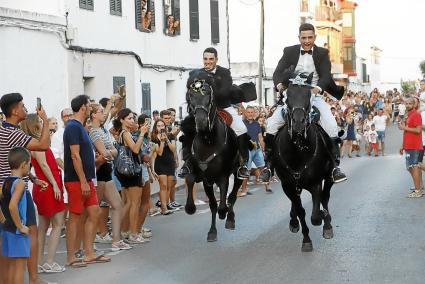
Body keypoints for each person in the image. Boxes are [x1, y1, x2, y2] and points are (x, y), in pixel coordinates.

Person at [262, 23, 346, 183]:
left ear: (315, 37)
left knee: (331, 124)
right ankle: (268, 166)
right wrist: (279, 86)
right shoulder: (289, 51)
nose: (307, 41)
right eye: (303, 38)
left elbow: (326, 76)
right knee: (272, 124)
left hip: (313, 93)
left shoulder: (322, 53)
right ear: (299, 38)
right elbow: (278, 72)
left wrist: (317, 89)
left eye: (310, 37)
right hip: (293, 94)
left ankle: (335, 167)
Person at [178, 47, 251, 180]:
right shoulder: (195, 73)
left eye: (211, 59)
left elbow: (225, 92)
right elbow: (190, 89)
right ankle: (187, 163)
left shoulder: (224, 72)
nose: (208, 62)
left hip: (222, 107)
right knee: (187, 128)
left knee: (241, 128)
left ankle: (243, 163)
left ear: (216, 59)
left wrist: (208, 83)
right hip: (202, 109)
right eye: (205, 59)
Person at [0, 93, 50, 284]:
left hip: (4, 187)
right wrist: (44, 120)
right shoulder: (14, 133)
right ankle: (34, 278)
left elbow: (13, 162)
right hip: (17, 190)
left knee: (6, 236)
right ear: (14, 111)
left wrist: (33, 178)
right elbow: (43, 145)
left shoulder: (2, 131)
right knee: (30, 231)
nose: (25, 109)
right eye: (22, 106)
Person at [63, 95, 109, 267]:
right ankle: (71, 257)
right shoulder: (73, 127)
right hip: (76, 180)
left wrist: (96, 161)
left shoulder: (81, 127)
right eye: (89, 105)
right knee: (74, 217)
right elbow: (74, 156)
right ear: (83, 107)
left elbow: (82, 154)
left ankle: (89, 253)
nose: (91, 107)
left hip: (87, 179)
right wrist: (82, 181)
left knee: (95, 212)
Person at [20, 114, 66, 273]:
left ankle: (39, 263)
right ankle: (49, 261)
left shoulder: (35, 143)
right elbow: (44, 166)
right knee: (58, 224)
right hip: (47, 186)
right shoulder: (36, 144)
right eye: (40, 122)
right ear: (34, 126)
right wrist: (55, 184)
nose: (43, 124)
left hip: (44, 186)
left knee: (43, 227)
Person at [89, 104, 131, 251]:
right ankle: (89, 244)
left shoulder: (103, 130)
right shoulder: (94, 131)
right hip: (100, 171)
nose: (104, 114)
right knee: (95, 209)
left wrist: (111, 152)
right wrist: (111, 152)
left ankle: (116, 240)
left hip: (107, 171)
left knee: (117, 205)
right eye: (101, 112)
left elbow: (113, 150)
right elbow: (105, 153)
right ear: (93, 115)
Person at [113, 108, 150, 244]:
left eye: (132, 118)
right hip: (132, 170)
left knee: (128, 203)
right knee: (135, 203)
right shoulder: (125, 133)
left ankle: (119, 232)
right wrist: (142, 134)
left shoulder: (125, 133)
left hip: (127, 170)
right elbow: (135, 149)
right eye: (129, 118)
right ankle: (133, 234)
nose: (132, 120)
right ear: (122, 120)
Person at [0, 147, 32, 284]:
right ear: (24, 164)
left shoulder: (5, 182)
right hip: (17, 231)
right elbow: (13, 206)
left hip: (6, 228)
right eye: (30, 164)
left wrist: (3, 218)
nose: (29, 166)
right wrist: (21, 226)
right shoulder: (20, 183)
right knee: (20, 266)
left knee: (10, 265)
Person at [151, 119, 177, 215]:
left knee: (169, 187)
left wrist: (167, 140)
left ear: (165, 127)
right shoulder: (153, 137)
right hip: (160, 164)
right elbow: (160, 153)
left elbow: (173, 149)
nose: (161, 127)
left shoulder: (170, 135)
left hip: (170, 163)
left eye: (162, 126)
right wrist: (162, 141)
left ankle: (165, 205)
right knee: (163, 186)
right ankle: (164, 208)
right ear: (155, 127)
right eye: (158, 125)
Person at [398, 97, 423, 198]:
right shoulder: (408, 115)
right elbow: (406, 132)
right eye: (406, 103)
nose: (407, 105)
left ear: (414, 105)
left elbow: (418, 130)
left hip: (414, 145)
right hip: (408, 145)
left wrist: (404, 127)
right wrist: (402, 145)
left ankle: (417, 191)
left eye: (410, 104)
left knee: (414, 167)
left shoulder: (416, 115)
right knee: (410, 168)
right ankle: (418, 188)